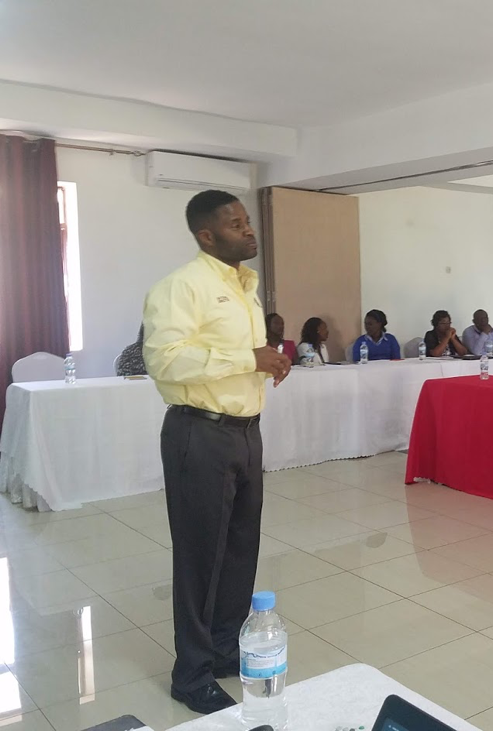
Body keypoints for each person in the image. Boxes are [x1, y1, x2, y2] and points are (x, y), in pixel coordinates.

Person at [142, 190, 291, 715]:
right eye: (235, 224)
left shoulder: (244, 288)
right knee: (201, 555)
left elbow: (237, 361)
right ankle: (192, 673)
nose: (248, 231)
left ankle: (226, 649)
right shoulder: (181, 287)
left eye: (248, 222)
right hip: (198, 434)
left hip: (245, 432)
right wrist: (246, 356)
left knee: (240, 548)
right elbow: (164, 361)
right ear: (207, 235)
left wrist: (264, 363)